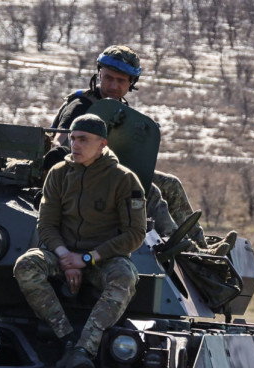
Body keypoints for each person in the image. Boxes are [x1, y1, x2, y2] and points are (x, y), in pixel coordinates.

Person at [46, 45, 233, 252]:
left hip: (109, 172)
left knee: (171, 184)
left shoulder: (119, 110)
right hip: (82, 176)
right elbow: (59, 144)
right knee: (147, 190)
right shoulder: (81, 106)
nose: (113, 86)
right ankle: (186, 251)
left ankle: (203, 246)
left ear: (131, 83)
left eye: (121, 81)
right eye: (108, 78)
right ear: (99, 73)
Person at [14, 115, 146, 368]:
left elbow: (135, 233)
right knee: (26, 264)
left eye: (83, 140)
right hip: (62, 254)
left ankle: (85, 349)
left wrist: (87, 259)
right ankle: (68, 340)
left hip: (104, 259)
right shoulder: (58, 174)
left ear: (102, 144)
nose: (75, 145)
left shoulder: (124, 179)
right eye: (73, 138)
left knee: (124, 276)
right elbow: (46, 224)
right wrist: (65, 257)